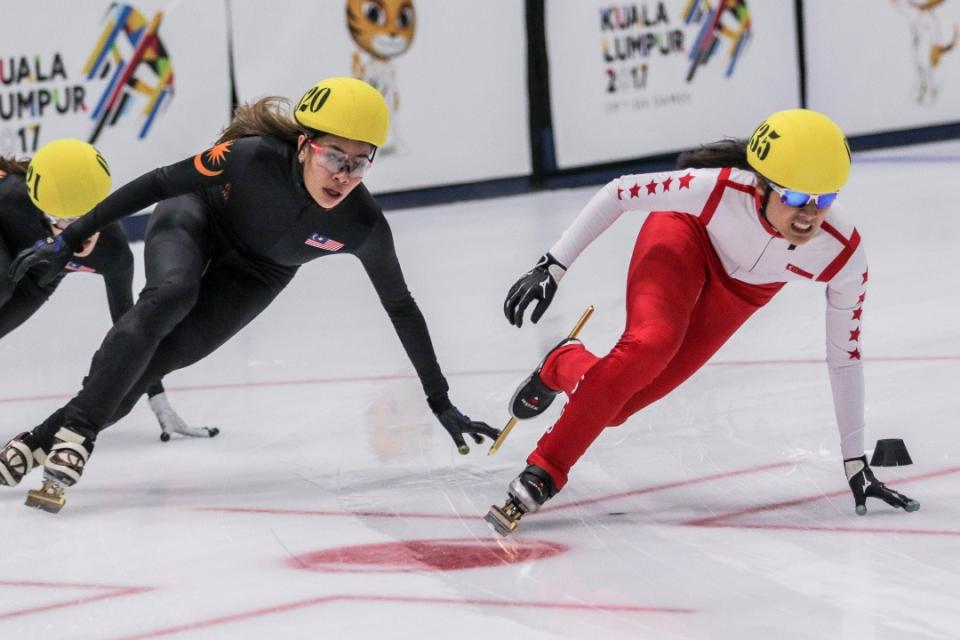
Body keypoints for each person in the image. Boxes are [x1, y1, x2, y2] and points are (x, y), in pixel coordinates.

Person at [7, 77, 497, 511]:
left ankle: (37, 441)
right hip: (194, 215)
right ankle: (81, 433)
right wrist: (69, 240)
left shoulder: (361, 225)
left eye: (359, 163)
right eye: (333, 157)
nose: (344, 176)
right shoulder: (251, 156)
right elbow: (159, 183)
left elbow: (401, 306)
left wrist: (439, 399)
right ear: (304, 145)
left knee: (163, 359)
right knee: (172, 294)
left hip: (260, 271)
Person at [486, 109, 920, 536]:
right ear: (761, 186)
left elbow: (844, 357)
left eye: (822, 200)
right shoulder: (718, 189)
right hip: (685, 235)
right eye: (793, 197)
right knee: (651, 343)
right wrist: (553, 266)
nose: (808, 214)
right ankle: (545, 470)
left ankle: (564, 363)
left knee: (613, 408)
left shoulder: (843, 254)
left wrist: (854, 462)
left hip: (744, 290)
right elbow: (619, 193)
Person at [0, 140, 211, 489]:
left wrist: (158, 399)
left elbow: (131, 330)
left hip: (37, 280)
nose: (72, 232)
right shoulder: (11, 197)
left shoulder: (113, 254)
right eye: (58, 221)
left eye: (83, 220)